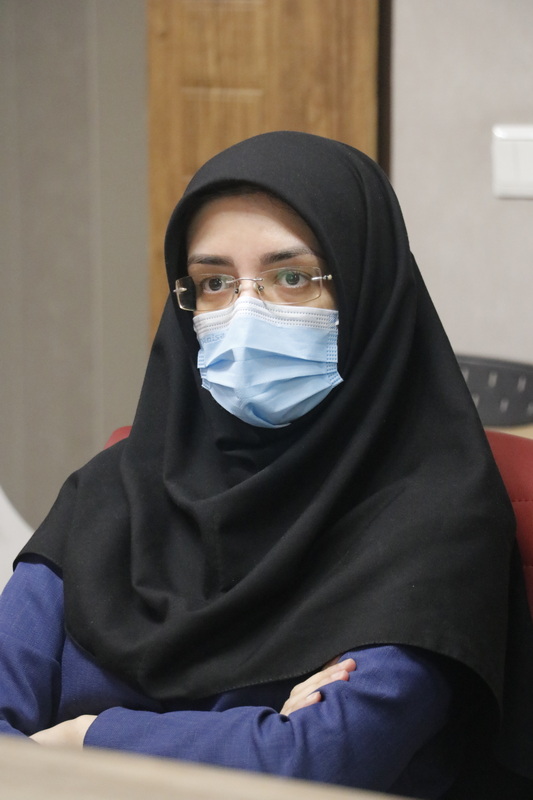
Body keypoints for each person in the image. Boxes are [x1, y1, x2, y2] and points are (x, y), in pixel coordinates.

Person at [0, 131, 529, 798]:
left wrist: (86, 737)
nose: (244, 315)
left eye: (292, 277)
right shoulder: (111, 491)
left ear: (367, 292)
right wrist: (251, 734)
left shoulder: (437, 518)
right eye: (214, 283)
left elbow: (311, 763)